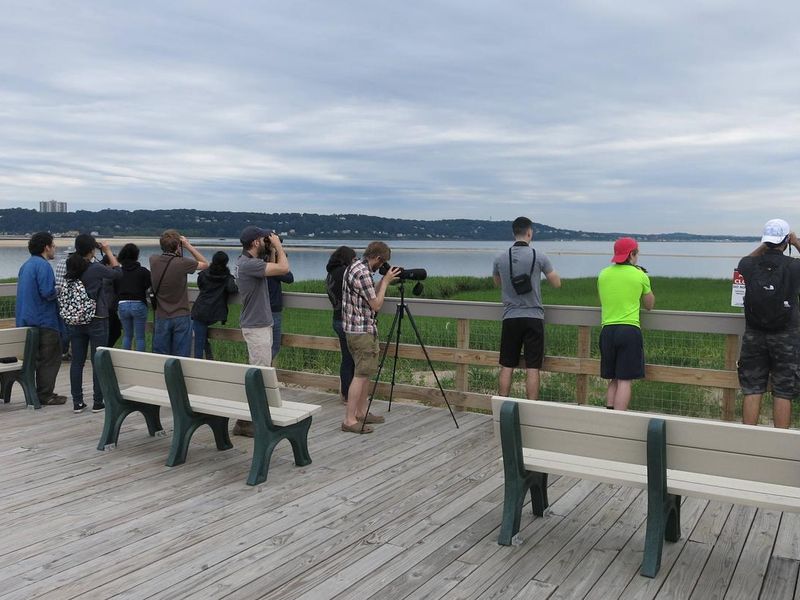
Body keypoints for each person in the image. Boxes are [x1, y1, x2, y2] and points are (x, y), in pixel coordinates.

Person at [737, 219, 800, 428]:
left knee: (752, 388)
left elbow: (745, 260)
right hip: (786, 336)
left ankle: (748, 441)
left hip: (754, 334)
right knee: (783, 391)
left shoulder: (749, 265)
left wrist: (766, 244)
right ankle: (779, 444)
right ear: (785, 240)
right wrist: (796, 241)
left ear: (765, 239)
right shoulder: (793, 266)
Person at [492, 216, 561, 400]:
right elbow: (557, 283)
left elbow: (497, 282)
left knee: (507, 365)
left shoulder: (500, 258)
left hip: (510, 317)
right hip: (534, 317)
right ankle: (532, 408)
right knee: (532, 367)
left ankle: (502, 404)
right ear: (529, 232)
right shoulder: (540, 256)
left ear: (513, 233)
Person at [233, 226, 289, 436]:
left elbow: (272, 267)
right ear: (256, 242)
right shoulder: (250, 265)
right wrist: (278, 246)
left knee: (257, 373)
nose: (267, 241)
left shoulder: (244, 262)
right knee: (259, 376)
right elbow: (283, 269)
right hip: (257, 327)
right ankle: (249, 422)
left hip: (254, 324)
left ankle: (246, 420)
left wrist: (272, 250)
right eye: (263, 239)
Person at [341, 241, 401, 434]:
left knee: (364, 373)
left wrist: (382, 281)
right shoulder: (364, 273)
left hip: (355, 330)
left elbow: (365, 293)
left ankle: (362, 412)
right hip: (362, 331)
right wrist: (385, 282)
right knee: (360, 376)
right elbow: (376, 304)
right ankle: (350, 420)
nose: (381, 267)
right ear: (377, 258)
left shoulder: (353, 267)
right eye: (382, 262)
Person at [65, 234, 122, 413]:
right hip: (97, 319)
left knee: (77, 362)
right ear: (92, 249)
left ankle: (77, 402)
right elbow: (117, 273)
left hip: (76, 319)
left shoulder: (71, 265)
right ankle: (98, 401)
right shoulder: (96, 268)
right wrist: (107, 251)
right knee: (98, 361)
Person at [597, 237, 655, 411]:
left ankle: (609, 415)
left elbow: (602, 300)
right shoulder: (640, 275)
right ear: (631, 254)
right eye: (636, 253)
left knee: (613, 378)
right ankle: (620, 420)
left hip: (607, 331)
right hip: (629, 330)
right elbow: (649, 305)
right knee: (624, 380)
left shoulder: (603, 274)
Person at [15, 232, 66, 405]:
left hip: (26, 321)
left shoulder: (26, 265)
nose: (55, 248)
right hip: (44, 321)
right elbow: (47, 292)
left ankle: (36, 393)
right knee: (50, 359)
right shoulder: (43, 266)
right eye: (53, 245)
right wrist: (59, 289)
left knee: (35, 359)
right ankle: (45, 394)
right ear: (46, 247)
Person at [149, 230, 208, 357]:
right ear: (177, 246)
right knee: (180, 355)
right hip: (181, 315)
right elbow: (205, 264)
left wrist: (177, 249)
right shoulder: (183, 263)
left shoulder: (153, 260)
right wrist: (187, 245)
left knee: (161, 355)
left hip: (161, 316)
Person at [191, 251, 238, 359]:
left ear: (213, 260)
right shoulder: (227, 278)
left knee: (199, 342)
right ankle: (209, 358)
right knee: (202, 339)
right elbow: (233, 290)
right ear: (226, 263)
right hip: (215, 313)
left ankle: (201, 363)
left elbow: (201, 285)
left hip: (200, 311)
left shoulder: (203, 274)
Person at [326, 246, 357, 404]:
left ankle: (345, 394)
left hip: (336, 319)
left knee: (346, 358)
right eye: (354, 259)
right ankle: (349, 394)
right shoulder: (345, 273)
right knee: (352, 360)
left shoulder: (331, 273)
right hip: (347, 320)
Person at [115, 243, 151, 352]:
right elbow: (149, 285)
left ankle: (126, 360)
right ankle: (140, 361)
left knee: (127, 335)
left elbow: (115, 287)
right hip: (138, 303)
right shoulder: (143, 271)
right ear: (136, 255)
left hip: (122, 304)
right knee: (140, 337)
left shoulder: (119, 271)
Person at [267, 245, 294, 364]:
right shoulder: (275, 271)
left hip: (263, 310)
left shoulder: (261, 267)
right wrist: (281, 264)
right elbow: (290, 278)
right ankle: (263, 368)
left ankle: (261, 369)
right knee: (275, 346)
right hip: (274, 311)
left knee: (264, 346)